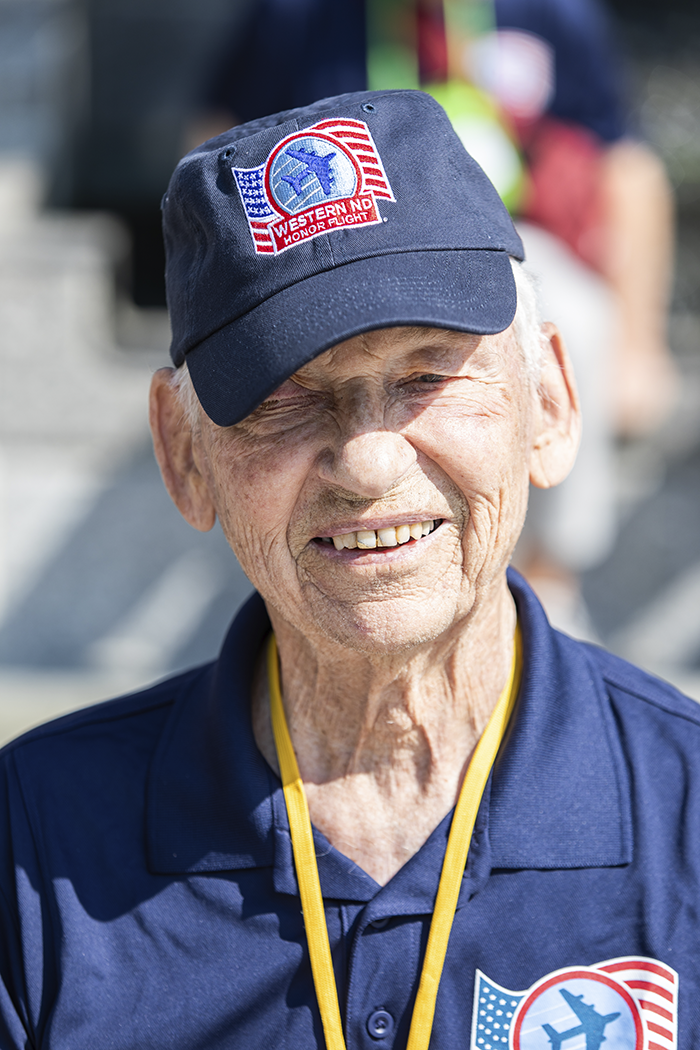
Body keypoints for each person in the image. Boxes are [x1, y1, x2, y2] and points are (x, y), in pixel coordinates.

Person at [0, 90, 695, 1048]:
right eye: (286, 399)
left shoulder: (688, 816)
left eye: (426, 375)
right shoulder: (33, 842)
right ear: (183, 455)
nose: (368, 462)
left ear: (553, 402)